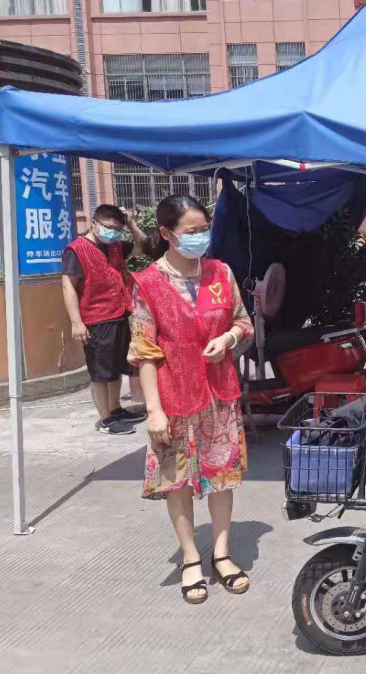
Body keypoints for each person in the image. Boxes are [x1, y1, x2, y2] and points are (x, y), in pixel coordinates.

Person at [129, 195, 253, 605]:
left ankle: (222, 553)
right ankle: (190, 558)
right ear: (167, 233)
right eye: (191, 231)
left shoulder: (220, 272)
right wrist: (153, 411)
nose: (201, 237)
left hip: (219, 394)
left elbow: (243, 321)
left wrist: (228, 337)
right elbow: (144, 352)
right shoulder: (148, 283)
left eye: (204, 229)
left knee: (221, 476)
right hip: (173, 397)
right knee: (177, 480)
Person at [62, 204, 149, 435]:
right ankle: (106, 419)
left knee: (115, 367)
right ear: (94, 223)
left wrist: (131, 224)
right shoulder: (76, 249)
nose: (113, 233)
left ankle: (115, 409)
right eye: (109, 227)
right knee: (100, 372)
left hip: (118, 313)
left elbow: (144, 246)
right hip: (95, 319)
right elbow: (68, 286)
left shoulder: (115, 246)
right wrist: (76, 322)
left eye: (118, 229)